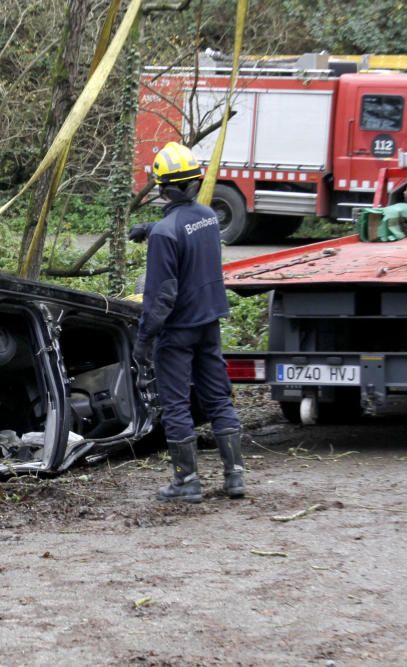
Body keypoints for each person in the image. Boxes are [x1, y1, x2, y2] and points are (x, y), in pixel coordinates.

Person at [129, 141, 244, 503]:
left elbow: (162, 295)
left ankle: (187, 482)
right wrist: (150, 228)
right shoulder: (209, 217)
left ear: (163, 187)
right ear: (195, 182)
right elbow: (186, 229)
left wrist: (144, 339)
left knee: (175, 403)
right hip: (209, 322)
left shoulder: (166, 233)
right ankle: (234, 477)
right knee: (217, 398)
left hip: (177, 332)